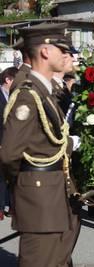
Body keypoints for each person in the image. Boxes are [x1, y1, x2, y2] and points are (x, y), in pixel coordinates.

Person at [0, 23, 80, 267]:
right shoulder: (28, 94)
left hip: (54, 193)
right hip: (38, 199)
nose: (67, 55)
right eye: (61, 49)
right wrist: (26, 186)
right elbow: (9, 154)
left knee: (58, 260)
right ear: (46, 51)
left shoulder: (43, 91)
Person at [0, 67, 18, 220]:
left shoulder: (16, 96)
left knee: (12, 175)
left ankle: (11, 206)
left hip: (12, 144)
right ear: (8, 80)